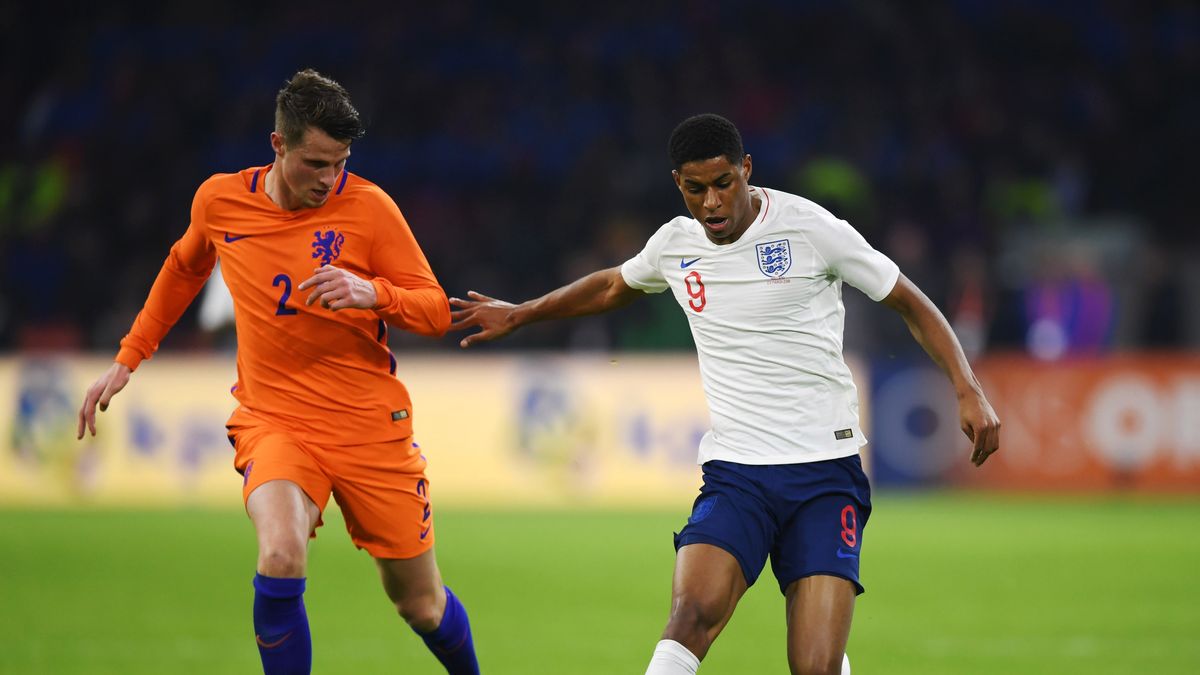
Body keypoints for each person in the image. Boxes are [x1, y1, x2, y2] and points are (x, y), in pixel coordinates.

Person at [449, 113, 1000, 675]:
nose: (711, 203)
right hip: (737, 474)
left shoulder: (810, 229)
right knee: (690, 618)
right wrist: (521, 313)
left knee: (815, 666)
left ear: (746, 170)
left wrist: (967, 387)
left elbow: (908, 300)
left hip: (824, 474)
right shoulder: (675, 243)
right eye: (695, 189)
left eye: (723, 184)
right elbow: (615, 283)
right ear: (677, 184)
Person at [76, 69, 480, 675]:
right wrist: (129, 356)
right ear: (278, 145)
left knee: (420, 604)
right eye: (315, 163)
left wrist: (372, 292)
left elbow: (434, 310)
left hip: (370, 426)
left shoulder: (368, 208)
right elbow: (183, 267)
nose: (328, 179)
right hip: (276, 420)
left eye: (338, 163)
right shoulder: (220, 200)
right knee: (282, 553)